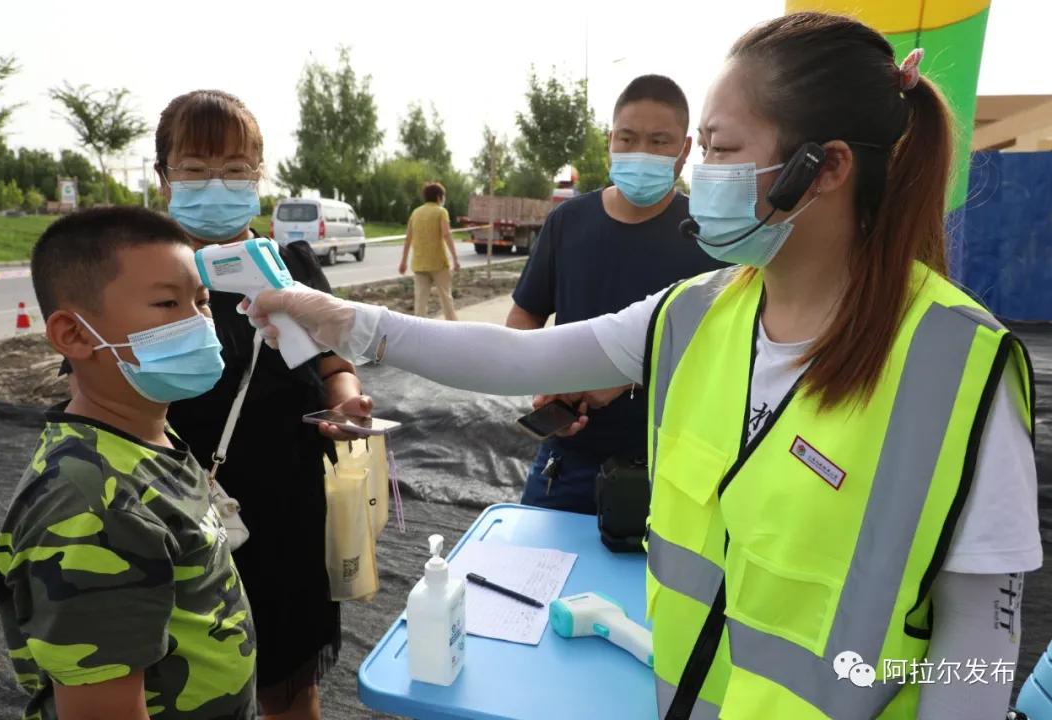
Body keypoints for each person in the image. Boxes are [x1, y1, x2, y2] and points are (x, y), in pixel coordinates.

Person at [247, 12, 1042, 719]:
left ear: (825, 168)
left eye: (723, 151)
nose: (700, 175)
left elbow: (975, 638)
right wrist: (347, 320)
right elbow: (515, 351)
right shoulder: (696, 312)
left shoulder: (955, 365)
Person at [155, 90, 370, 720]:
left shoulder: (290, 265)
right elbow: (95, 386)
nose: (215, 184)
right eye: (195, 169)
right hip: (172, 510)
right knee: (177, 679)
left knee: (289, 684)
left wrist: (348, 403)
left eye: (236, 169)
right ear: (165, 176)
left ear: (259, 174)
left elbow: (334, 364)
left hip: (287, 508)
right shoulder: (140, 270)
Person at [0, 207, 256, 719]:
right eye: (167, 303)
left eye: (201, 302)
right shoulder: (91, 509)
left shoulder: (146, 435)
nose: (201, 323)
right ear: (73, 335)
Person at [508, 74, 727, 514]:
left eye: (658, 141)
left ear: (684, 150)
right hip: (567, 460)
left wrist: (626, 376)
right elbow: (523, 320)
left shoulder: (711, 235)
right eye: (627, 138)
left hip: (669, 472)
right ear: (610, 140)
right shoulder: (568, 222)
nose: (640, 153)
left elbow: (725, 350)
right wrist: (545, 383)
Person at [399, 181, 461, 320]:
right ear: (439, 197)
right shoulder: (441, 212)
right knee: (446, 298)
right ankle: (454, 329)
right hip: (439, 263)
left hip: (419, 264)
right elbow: (446, 234)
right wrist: (455, 259)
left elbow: (408, 238)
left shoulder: (415, 213)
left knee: (420, 302)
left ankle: (418, 331)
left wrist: (403, 262)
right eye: (443, 196)